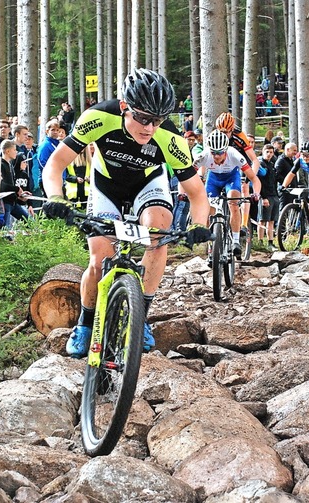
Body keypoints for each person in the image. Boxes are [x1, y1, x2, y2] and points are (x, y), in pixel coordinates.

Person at [42, 68, 211, 358]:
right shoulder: (99, 118)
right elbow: (55, 165)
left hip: (148, 185)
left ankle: (140, 316)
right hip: (106, 186)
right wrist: (57, 198)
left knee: (159, 234)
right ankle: (84, 323)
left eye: (157, 120)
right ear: (124, 107)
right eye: (143, 118)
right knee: (99, 258)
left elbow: (197, 193)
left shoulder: (169, 138)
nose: (150, 128)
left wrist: (198, 225)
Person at [194, 129, 261, 256]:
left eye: (220, 152)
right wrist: (186, 193)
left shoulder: (235, 155)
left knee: (233, 201)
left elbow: (254, 179)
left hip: (231, 178)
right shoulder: (204, 155)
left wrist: (256, 193)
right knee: (209, 210)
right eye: (213, 153)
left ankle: (235, 241)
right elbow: (188, 176)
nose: (217, 156)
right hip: (213, 179)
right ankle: (210, 245)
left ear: (225, 150)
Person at [214, 112, 260, 236]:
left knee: (244, 187)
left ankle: (244, 224)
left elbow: (255, 161)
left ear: (232, 129)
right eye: (221, 132)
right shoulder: (214, 135)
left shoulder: (239, 136)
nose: (224, 135)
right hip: (224, 161)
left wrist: (250, 177)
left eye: (227, 132)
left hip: (241, 159)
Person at [0, 139, 28, 229]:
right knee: (5, 229)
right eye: (14, 150)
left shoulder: (10, 165)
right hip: (4, 203)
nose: (16, 152)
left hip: (13, 202)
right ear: (8, 151)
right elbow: (0, 186)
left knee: (28, 221)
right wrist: (16, 189)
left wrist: (20, 195)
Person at [256, 144, 278, 251]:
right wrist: (263, 197)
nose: (269, 154)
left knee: (272, 221)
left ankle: (270, 242)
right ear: (263, 152)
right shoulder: (260, 165)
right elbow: (259, 182)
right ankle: (260, 242)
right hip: (265, 196)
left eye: (271, 152)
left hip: (274, 195)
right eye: (267, 152)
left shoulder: (272, 165)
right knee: (262, 220)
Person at [64, 145, 91, 209]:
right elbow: (65, 175)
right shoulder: (69, 160)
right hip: (73, 196)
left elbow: (95, 176)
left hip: (86, 196)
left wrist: (89, 179)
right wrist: (75, 179)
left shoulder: (90, 161)